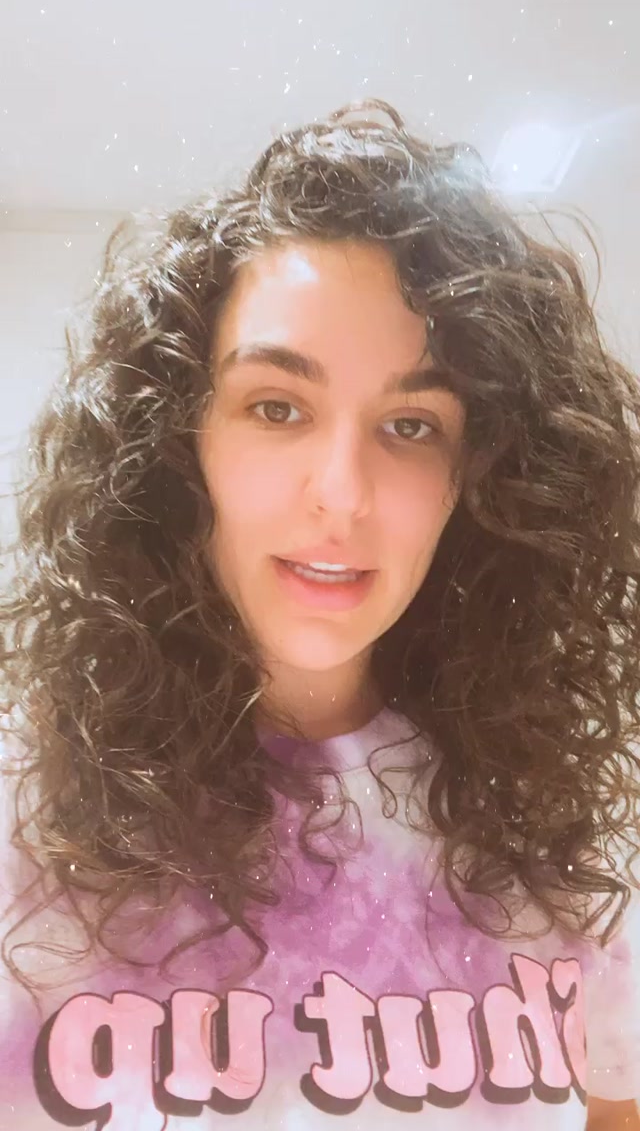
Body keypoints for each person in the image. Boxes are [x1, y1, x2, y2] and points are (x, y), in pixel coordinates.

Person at [0, 98, 639, 1130]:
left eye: (411, 424)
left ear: (481, 478)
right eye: (277, 407)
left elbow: (614, 1102)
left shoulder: (544, 820)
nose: (343, 492)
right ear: (180, 441)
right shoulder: (31, 821)